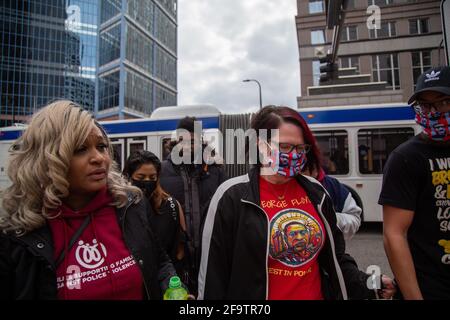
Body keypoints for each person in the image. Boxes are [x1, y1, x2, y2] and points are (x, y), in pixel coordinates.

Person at [198, 106, 395, 300]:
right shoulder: (230, 197)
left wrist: (369, 283)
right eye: (284, 146)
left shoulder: (317, 193)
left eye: (301, 148)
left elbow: (335, 259)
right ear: (261, 145)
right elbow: (212, 279)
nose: (294, 154)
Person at [0, 100, 177, 300]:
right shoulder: (18, 237)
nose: (99, 158)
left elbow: (159, 261)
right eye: (80, 149)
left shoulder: (130, 205)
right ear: (48, 159)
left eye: (101, 146)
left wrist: (172, 290)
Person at [380, 65, 450, 299]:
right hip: (432, 289)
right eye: (426, 106)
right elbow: (394, 235)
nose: (434, 112)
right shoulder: (406, 158)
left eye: (443, 102)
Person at [160, 116, 226, 295]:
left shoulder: (214, 170)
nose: (188, 145)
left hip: (210, 254)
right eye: (183, 139)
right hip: (176, 258)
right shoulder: (162, 171)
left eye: (193, 139)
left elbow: (224, 210)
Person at [122, 150, 186, 276]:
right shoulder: (121, 208)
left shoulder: (171, 205)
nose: (147, 182)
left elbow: (181, 249)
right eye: (141, 178)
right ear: (128, 177)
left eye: (152, 178)